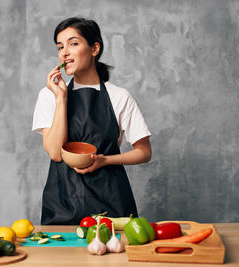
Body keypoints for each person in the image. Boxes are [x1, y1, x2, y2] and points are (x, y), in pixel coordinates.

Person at [32, 17, 152, 225]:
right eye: (60, 47)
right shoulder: (49, 95)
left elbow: (144, 152)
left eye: (73, 43)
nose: (65, 52)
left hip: (112, 204)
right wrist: (61, 99)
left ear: (94, 48)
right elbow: (54, 152)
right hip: (62, 203)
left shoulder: (119, 97)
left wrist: (105, 160)